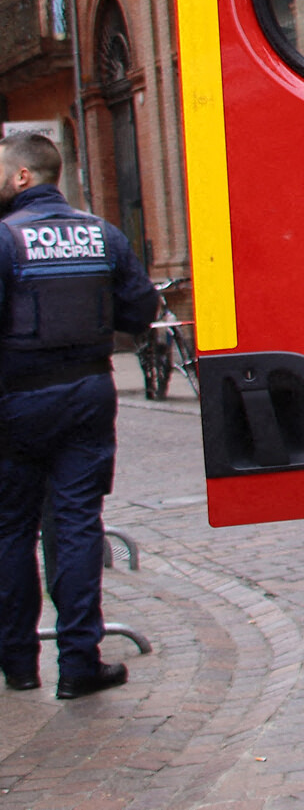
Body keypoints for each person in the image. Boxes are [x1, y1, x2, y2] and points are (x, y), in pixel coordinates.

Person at [0, 133, 157, 699]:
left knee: (11, 530)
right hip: (89, 394)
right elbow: (142, 310)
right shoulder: (102, 234)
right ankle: (79, 665)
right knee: (74, 526)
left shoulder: (4, 239)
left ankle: (18, 664)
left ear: (22, 177)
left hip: (16, 402)